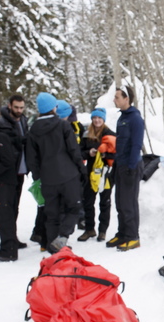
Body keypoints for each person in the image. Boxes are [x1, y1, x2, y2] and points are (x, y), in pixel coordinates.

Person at [25, 92, 85, 253]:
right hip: (68, 175)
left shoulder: (33, 131)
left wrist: (38, 177)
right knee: (73, 208)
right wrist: (81, 169)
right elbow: (74, 150)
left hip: (48, 179)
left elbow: (32, 158)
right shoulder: (63, 125)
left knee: (52, 215)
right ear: (54, 108)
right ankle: (63, 237)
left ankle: (55, 250)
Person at [106, 86, 143, 251]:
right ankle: (122, 233)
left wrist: (131, 166)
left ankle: (132, 236)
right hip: (120, 165)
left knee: (129, 202)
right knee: (120, 202)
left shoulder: (135, 118)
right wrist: (114, 165)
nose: (115, 100)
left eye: (117, 97)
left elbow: (136, 144)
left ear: (126, 99)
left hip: (131, 166)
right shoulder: (122, 118)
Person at [0, 100, 24, 262]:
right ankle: (8, 247)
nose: (19, 111)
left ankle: (8, 250)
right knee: (5, 214)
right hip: (6, 178)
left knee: (4, 214)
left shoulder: (0, 134)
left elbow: (7, 160)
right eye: (17, 107)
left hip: (6, 179)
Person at [78, 107, 116, 242]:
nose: (96, 120)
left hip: (106, 173)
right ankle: (89, 229)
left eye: (99, 118)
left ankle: (102, 231)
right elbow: (79, 153)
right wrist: (89, 153)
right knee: (88, 202)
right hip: (90, 173)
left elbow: (116, 154)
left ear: (103, 119)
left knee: (104, 202)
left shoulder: (110, 134)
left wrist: (104, 154)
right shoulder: (86, 134)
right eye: (94, 118)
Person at [1, 94, 30, 249]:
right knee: (7, 206)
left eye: (21, 107)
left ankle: (13, 235)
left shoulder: (24, 120)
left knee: (15, 205)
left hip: (21, 169)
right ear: (10, 106)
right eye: (16, 107)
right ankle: (8, 238)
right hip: (8, 170)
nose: (19, 110)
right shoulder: (3, 122)